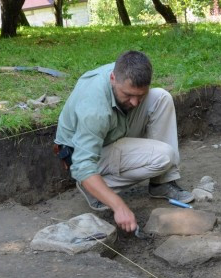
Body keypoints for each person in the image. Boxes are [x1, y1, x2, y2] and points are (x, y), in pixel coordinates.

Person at [55, 50, 192, 233]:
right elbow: (82, 165)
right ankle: (96, 191)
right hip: (85, 155)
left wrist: (134, 97)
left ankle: (161, 183)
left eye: (140, 95)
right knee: (164, 155)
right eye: (128, 95)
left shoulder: (125, 71)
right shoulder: (95, 110)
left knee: (161, 98)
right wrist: (119, 206)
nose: (135, 103)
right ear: (113, 78)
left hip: (113, 130)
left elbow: (136, 98)